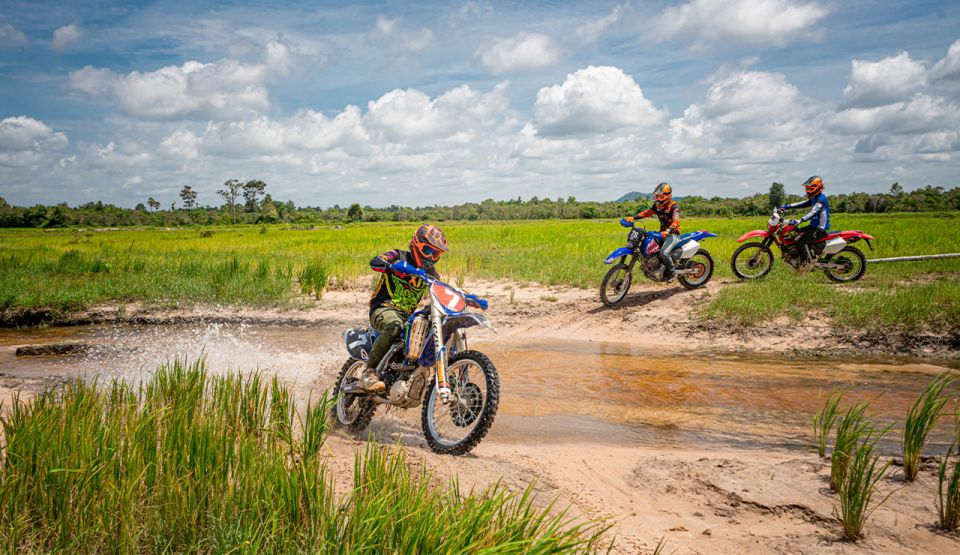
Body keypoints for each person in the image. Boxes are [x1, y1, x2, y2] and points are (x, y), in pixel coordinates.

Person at [356, 224, 448, 392]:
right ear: (416, 245)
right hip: (383, 309)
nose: (431, 257)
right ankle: (368, 373)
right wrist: (392, 266)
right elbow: (375, 261)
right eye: (428, 251)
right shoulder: (398, 255)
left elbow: (442, 290)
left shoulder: (431, 273)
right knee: (394, 325)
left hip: (406, 317)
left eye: (436, 254)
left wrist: (468, 298)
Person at [624, 182, 681, 281]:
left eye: (660, 196)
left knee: (664, 253)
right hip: (661, 234)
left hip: (672, 235)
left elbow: (676, 222)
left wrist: (668, 231)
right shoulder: (657, 206)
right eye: (657, 196)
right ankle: (657, 267)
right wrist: (633, 218)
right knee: (649, 246)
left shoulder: (674, 207)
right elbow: (646, 213)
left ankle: (673, 272)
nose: (658, 199)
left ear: (667, 196)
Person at [781, 176, 830, 263]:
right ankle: (798, 256)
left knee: (799, 240)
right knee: (794, 232)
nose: (808, 191)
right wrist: (787, 206)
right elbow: (803, 204)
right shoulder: (815, 198)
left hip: (820, 229)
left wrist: (799, 220)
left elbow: (813, 213)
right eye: (807, 189)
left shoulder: (821, 200)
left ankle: (807, 261)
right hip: (813, 227)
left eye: (810, 189)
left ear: (818, 188)